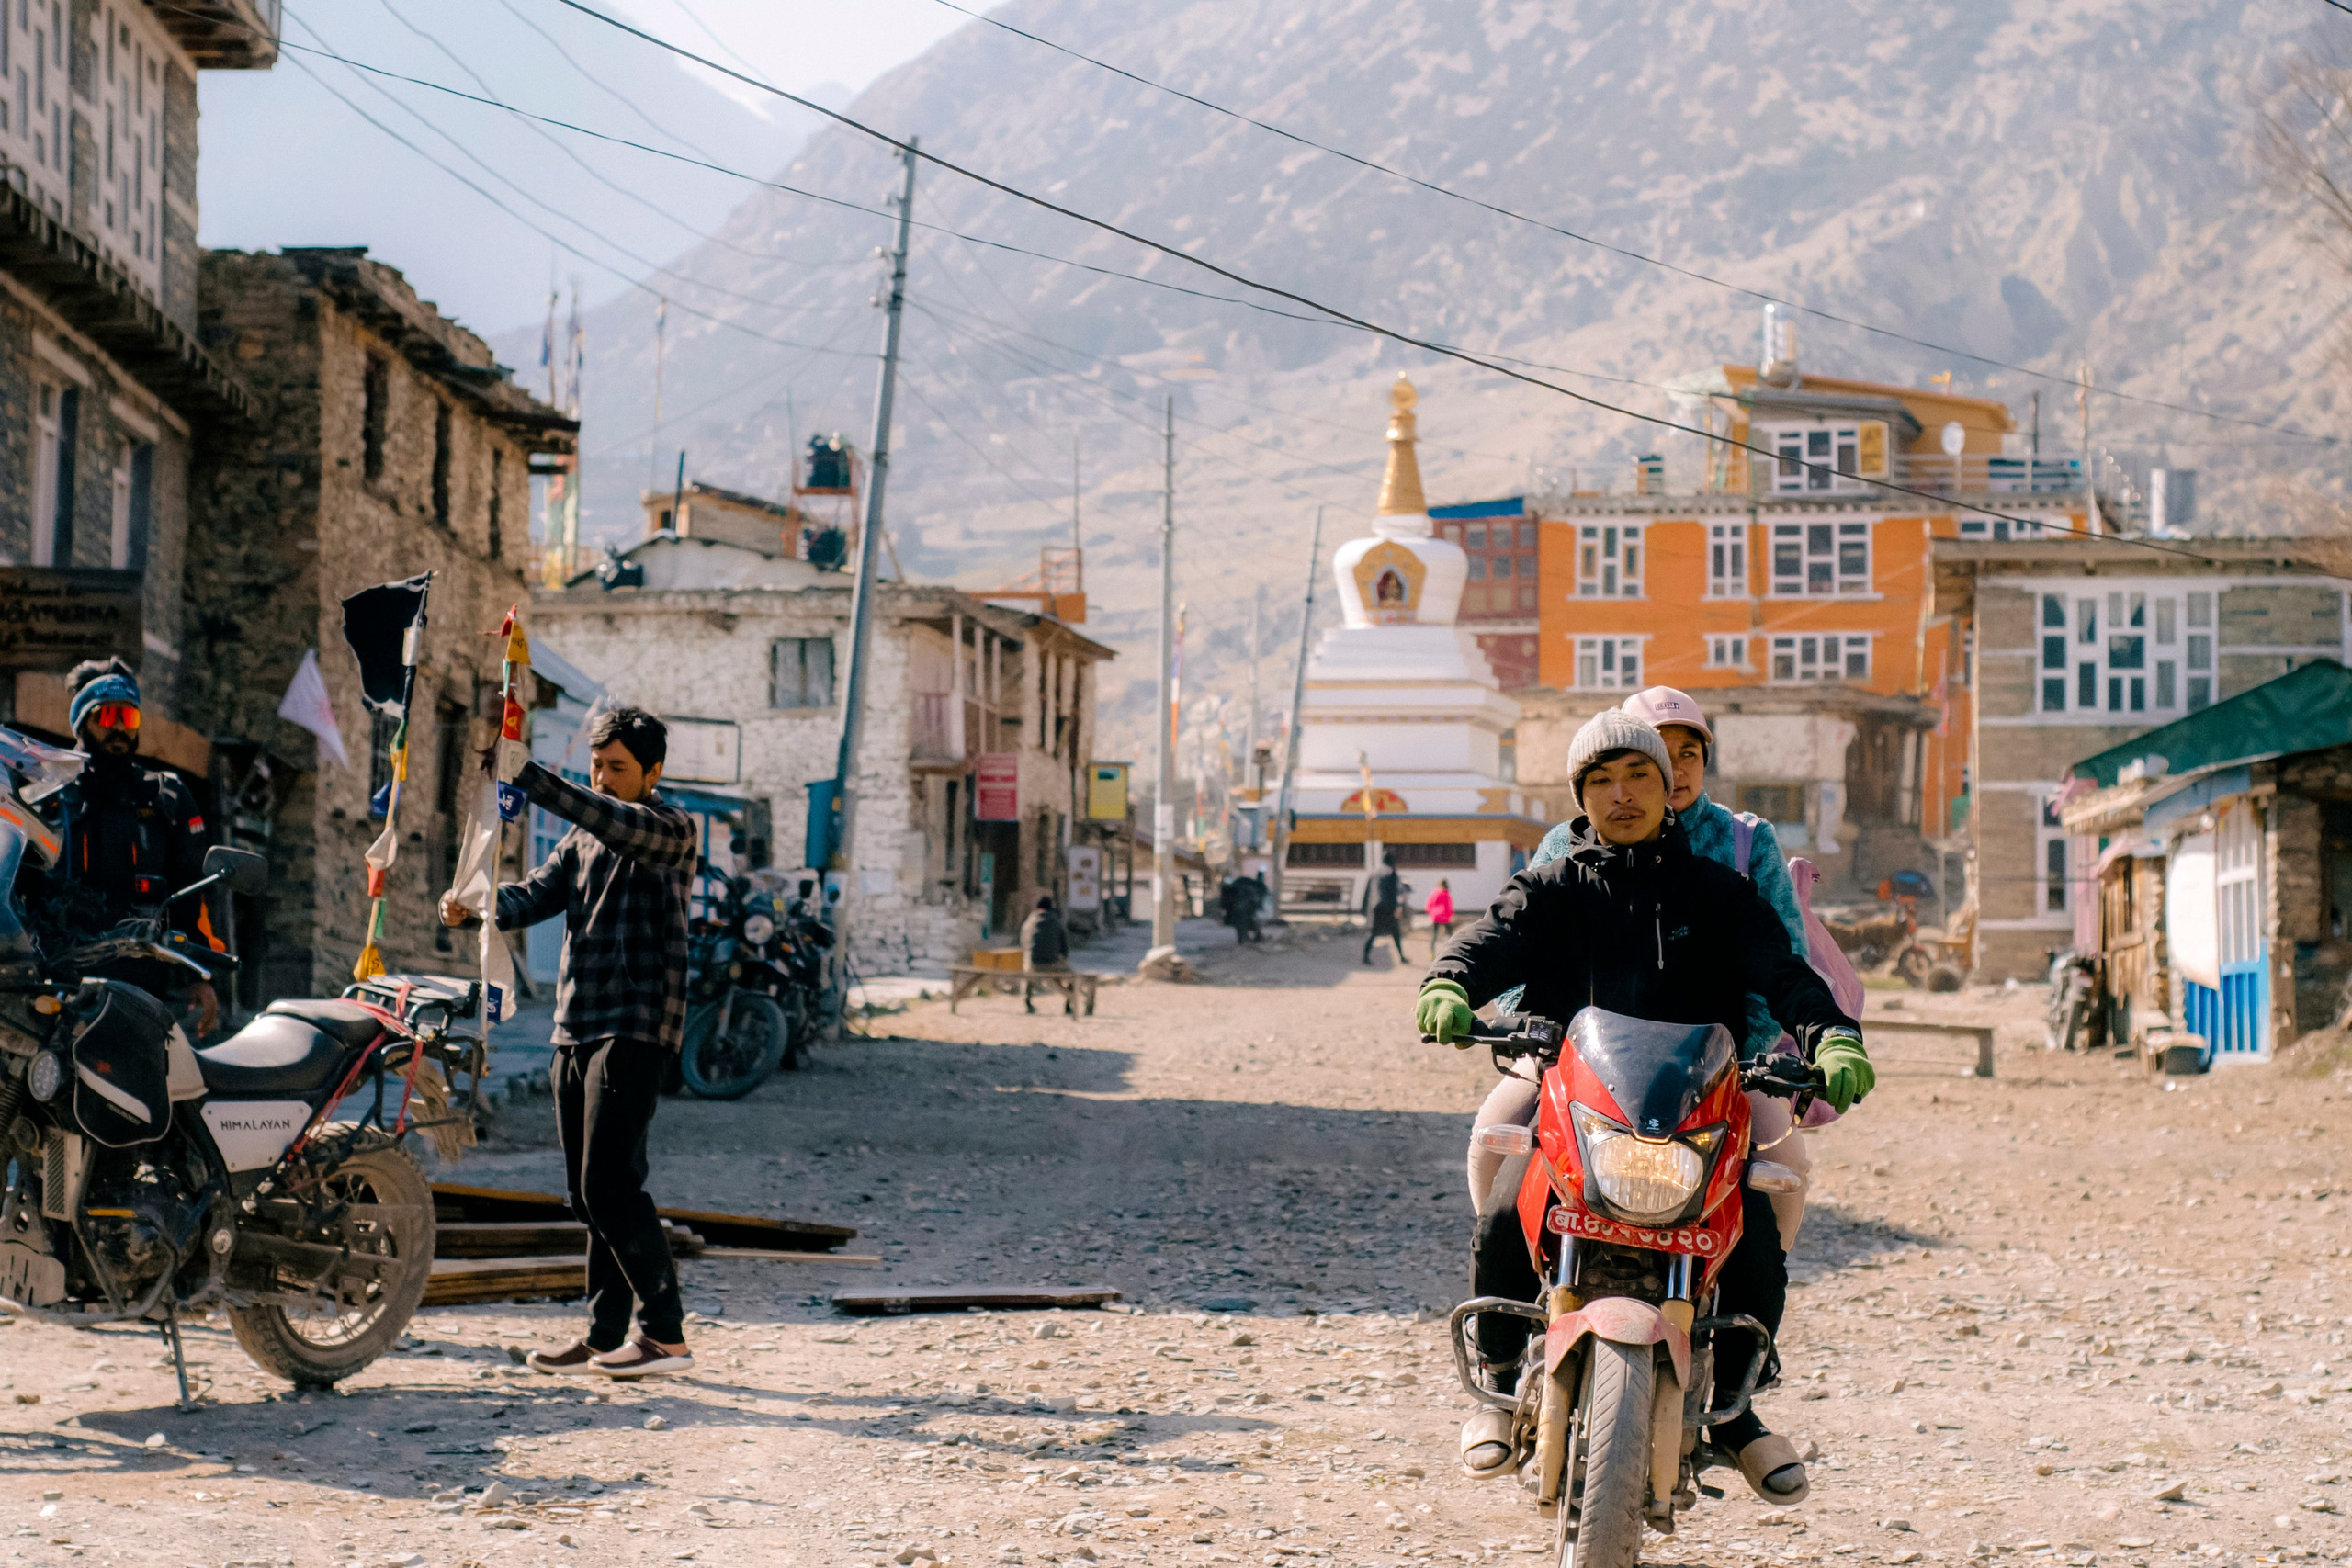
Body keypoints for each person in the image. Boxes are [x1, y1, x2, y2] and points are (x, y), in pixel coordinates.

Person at [1416, 708, 1872, 1506]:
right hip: (1577, 1091)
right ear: (1580, 796)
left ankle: (1734, 1408)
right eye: (1599, 781)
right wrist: (1449, 980)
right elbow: (1492, 937)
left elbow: (1783, 968)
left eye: (1638, 778)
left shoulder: (1717, 889)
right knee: (1500, 1208)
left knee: (1756, 1237)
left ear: (1669, 790)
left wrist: (1832, 1035)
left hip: (1699, 1101)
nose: (1619, 795)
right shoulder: (1555, 884)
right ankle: (1496, 1373)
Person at [444, 706, 696, 1380]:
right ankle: (604, 1332)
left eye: (617, 767)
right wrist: (477, 903)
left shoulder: (670, 827)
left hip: (637, 1024)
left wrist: (533, 777)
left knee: (609, 1183)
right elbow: (534, 895)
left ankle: (666, 1334)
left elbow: (609, 819)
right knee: (590, 1194)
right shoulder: (581, 841)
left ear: (653, 772)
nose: (604, 778)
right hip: (575, 1024)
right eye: (597, 765)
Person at [22, 660, 221, 1035]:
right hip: (57, 981)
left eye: (128, 719)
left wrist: (200, 974)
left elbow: (192, 893)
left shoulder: (168, 797)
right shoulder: (46, 797)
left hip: (144, 989)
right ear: (82, 724)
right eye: (107, 716)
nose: (118, 729)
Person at [1019, 893, 1071, 1013]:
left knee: (1029, 968)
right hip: (1052, 963)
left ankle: (1028, 1001)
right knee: (1071, 975)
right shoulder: (1056, 922)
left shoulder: (1028, 923)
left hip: (1032, 963)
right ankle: (1069, 1002)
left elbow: (1024, 943)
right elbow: (1065, 948)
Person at [1362, 854, 1406, 964]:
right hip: (1388, 908)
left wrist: (1365, 908)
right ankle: (1401, 956)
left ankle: (1365, 956)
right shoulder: (1391, 873)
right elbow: (1393, 892)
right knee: (1395, 933)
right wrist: (1396, 907)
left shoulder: (1376, 873)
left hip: (1376, 908)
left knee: (1374, 933)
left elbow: (1368, 892)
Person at [1423, 878, 1454, 958]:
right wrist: (1450, 915)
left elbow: (1429, 904)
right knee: (1450, 935)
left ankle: (1432, 952)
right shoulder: (1446, 894)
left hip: (1436, 917)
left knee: (1434, 936)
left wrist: (1431, 913)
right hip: (1444, 918)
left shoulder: (1435, 893)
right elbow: (1448, 907)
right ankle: (1453, 951)